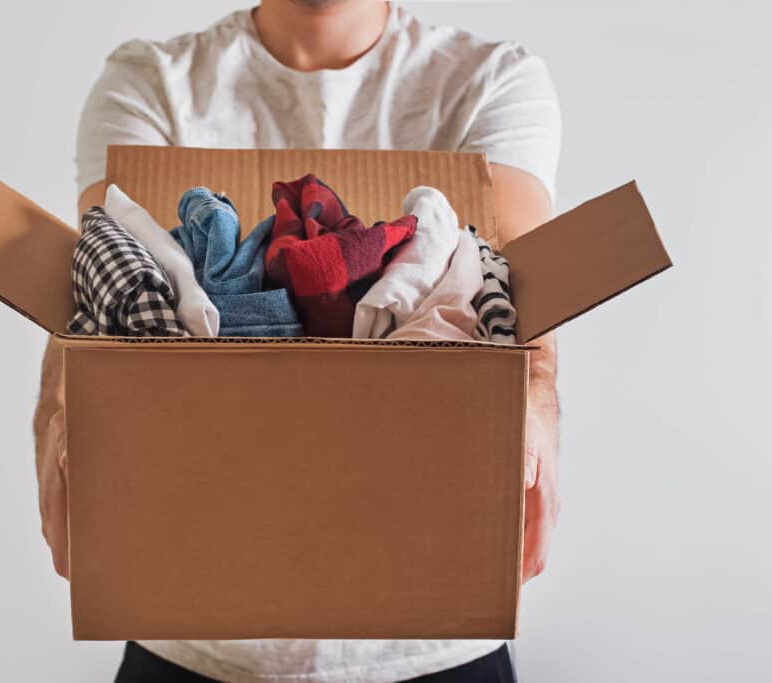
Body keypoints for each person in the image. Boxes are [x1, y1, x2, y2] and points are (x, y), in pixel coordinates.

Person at [33, 1, 562, 681]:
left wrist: (540, 405)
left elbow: (519, 291)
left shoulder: (489, 82)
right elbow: (100, 290)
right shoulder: (151, 83)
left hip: (437, 641)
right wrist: (60, 407)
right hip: (192, 639)